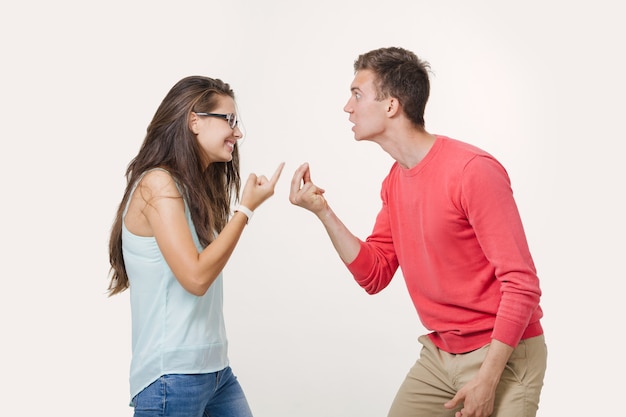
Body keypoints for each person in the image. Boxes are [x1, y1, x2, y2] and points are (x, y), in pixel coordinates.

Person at [289, 47, 546, 417]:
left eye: (357, 94)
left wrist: (488, 380)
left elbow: (522, 284)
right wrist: (322, 212)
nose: (348, 107)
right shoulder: (395, 181)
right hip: (440, 355)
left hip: (503, 352)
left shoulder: (473, 171)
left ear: (391, 105)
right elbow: (374, 274)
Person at [108, 75, 284, 417]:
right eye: (229, 120)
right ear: (194, 120)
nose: (238, 132)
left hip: (216, 372)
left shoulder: (194, 189)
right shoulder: (157, 184)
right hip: (171, 378)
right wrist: (245, 210)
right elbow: (196, 277)